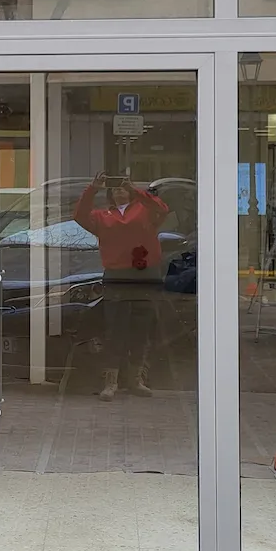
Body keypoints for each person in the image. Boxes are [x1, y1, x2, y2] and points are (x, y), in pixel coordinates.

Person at [73, 170, 170, 401]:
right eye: (115, 188)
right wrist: (92, 189)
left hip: (145, 275)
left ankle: (136, 380)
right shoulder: (102, 216)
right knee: (115, 330)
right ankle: (111, 382)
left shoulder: (145, 210)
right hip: (117, 276)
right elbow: (80, 215)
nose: (119, 191)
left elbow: (162, 208)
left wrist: (135, 188)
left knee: (141, 329)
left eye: (122, 188)